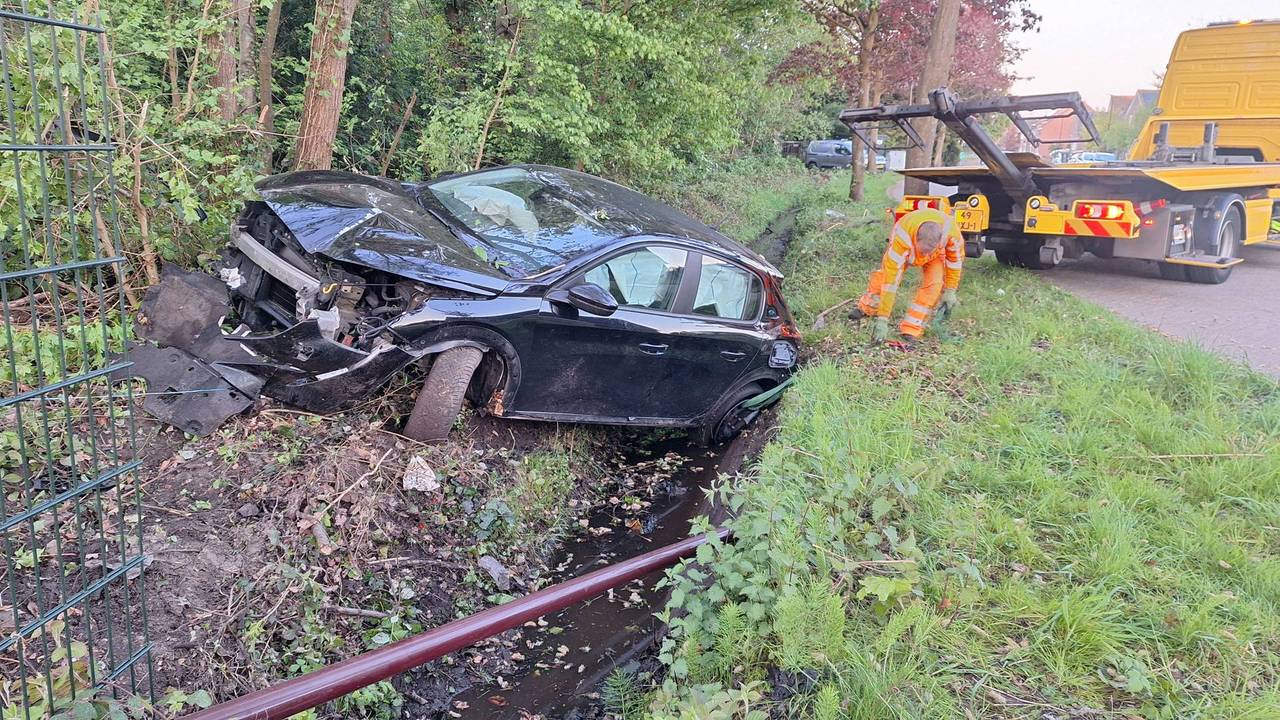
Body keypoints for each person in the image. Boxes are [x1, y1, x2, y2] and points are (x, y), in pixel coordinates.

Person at [848, 206, 963, 342]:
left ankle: (911, 328)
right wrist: (883, 319)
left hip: (937, 255)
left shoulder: (951, 233)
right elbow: (890, 284)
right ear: (916, 240)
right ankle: (866, 308)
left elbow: (955, 261)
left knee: (934, 286)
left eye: (930, 250)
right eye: (924, 250)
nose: (926, 254)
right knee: (884, 279)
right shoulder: (901, 241)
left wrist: (950, 290)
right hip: (906, 251)